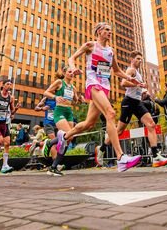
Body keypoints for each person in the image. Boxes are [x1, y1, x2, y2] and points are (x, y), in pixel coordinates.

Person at [55, 22, 142, 172]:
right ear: (99, 31)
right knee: (111, 113)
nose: (110, 32)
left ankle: (65, 136)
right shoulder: (90, 45)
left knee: (89, 123)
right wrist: (74, 68)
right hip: (93, 84)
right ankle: (121, 157)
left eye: (110, 30)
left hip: (104, 87)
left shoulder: (110, 51)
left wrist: (132, 80)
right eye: (107, 30)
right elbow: (71, 58)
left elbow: (117, 71)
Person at [97, 51, 167, 168]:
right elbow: (123, 83)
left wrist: (142, 86)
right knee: (119, 131)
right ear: (131, 59)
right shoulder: (131, 70)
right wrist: (138, 85)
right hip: (128, 102)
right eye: (137, 58)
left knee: (151, 124)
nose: (140, 61)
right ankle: (101, 150)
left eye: (141, 59)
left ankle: (156, 156)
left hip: (137, 102)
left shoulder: (138, 73)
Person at [40, 67, 81, 175]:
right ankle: (49, 143)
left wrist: (79, 99)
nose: (72, 74)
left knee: (69, 139)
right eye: (69, 72)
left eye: (73, 72)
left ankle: (53, 166)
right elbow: (46, 92)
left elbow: (75, 100)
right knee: (69, 135)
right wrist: (55, 97)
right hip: (60, 111)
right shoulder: (59, 82)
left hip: (69, 112)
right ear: (65, 73)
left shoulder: (73, 87)